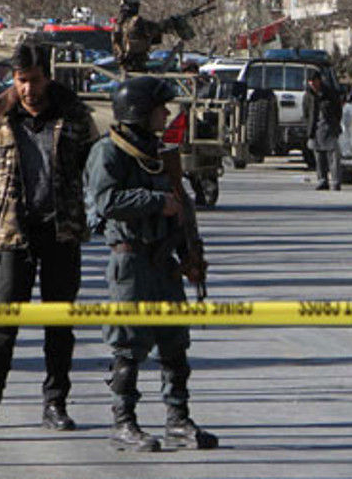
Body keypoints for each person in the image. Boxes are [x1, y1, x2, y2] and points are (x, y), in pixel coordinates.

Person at [0, 41, 100, 430]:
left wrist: (84, 206)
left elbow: (94, 166)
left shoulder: (74, 116)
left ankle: (55, 403)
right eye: (21, 80)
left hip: (61, 232)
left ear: (48, 77)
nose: (28, 89)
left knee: (59, 323)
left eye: (35, 80)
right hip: (14, 233)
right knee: (3, 321)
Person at [84, 76, 217, 452]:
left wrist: (191, 254)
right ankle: (123, 422)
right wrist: (157, 202)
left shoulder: (159, 153)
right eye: (161, 108)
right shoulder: (109, 151)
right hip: (131, 261)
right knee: (128, 346)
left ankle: (178, 420)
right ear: (139, 112)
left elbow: (180, 203)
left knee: (174, 344)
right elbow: (107, 201)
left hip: (164, 260)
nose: (167, 114)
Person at [304, 69, 343, 191]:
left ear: (319, 81)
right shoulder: (308, 95)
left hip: (330, 128)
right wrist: (309, 127)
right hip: (315, 130)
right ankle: (322, 180)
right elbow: (306, 113)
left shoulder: (330, 93)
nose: (312, 83)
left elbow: (338, 110)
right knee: (319, 158)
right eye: (310, 81)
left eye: (314, 81)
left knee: (333, 157)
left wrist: (335, 124)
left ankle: (336, 182)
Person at [111, 0, 164, 73]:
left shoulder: (117, 24)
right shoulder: (137, 22)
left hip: (123, 65)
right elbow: (157, 33)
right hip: (137, 63)